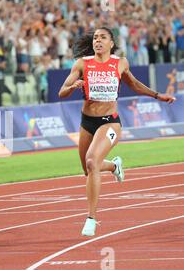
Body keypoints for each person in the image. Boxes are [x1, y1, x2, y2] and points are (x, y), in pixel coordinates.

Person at [58, 27, 176, 237]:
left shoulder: (119, 63)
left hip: (110, 122)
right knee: (88, 169)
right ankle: (114, 165)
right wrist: (74, 86)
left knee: (92, 161)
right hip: (87, 122)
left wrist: (157, 95)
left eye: (102, 37)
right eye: (95, 38)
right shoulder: (82, 64)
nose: (97, 41)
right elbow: (62, 92)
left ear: (111, 43)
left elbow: (134, 85)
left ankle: (91, 219)